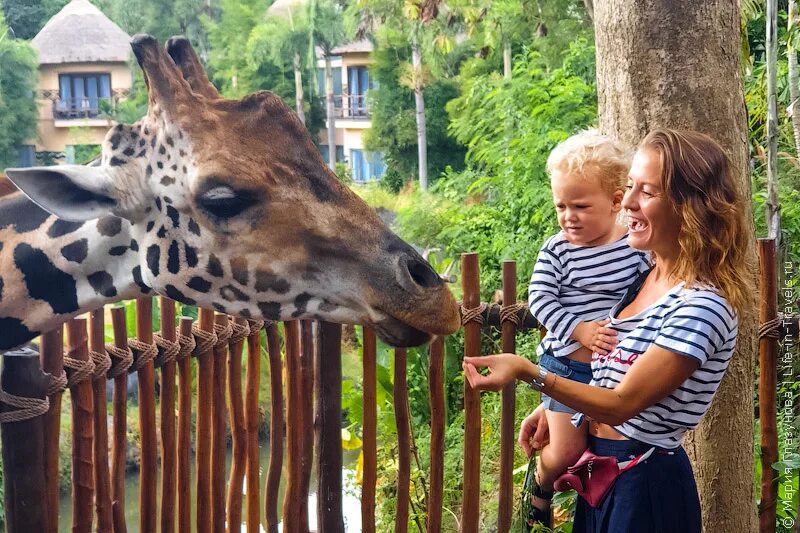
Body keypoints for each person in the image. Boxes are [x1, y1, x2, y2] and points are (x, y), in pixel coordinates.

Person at [464, 129, 753, 532]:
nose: (629, 202)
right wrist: (557, 407)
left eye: (647, 192)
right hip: (600, 474)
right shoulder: (643, 279)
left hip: (644, 486)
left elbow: (620, 404)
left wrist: (532, 374)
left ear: (690, 207)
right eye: (630, 186)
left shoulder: (701, 306)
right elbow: (608, 367)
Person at [524, 130, 649, 527]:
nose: (567, 217)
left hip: (613, 371)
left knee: (602, 447)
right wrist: (578, 331)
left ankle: (580, 493)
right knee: (564, 450)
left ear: (615, 201)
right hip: (567, 366)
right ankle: (539, 487)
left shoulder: (633, 246)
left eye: (579, 205)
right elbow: (539, 301)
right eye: (560, 205)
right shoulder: (557, 249)